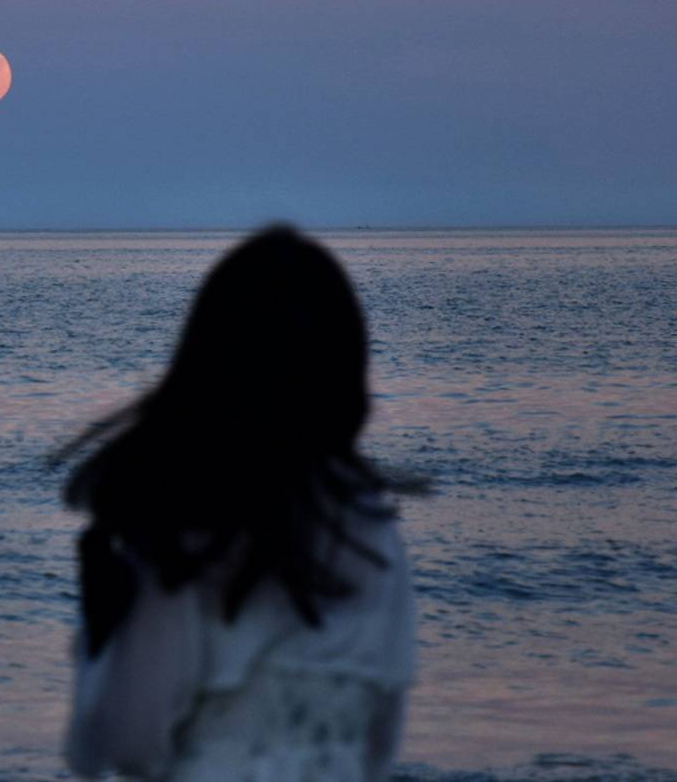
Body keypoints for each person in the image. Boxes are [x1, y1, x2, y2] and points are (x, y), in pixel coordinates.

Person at [57, 226, 416, 781]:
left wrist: (98, 638)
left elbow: (124, 745)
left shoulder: (189, 548)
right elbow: (379, 742)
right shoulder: (376, 539)